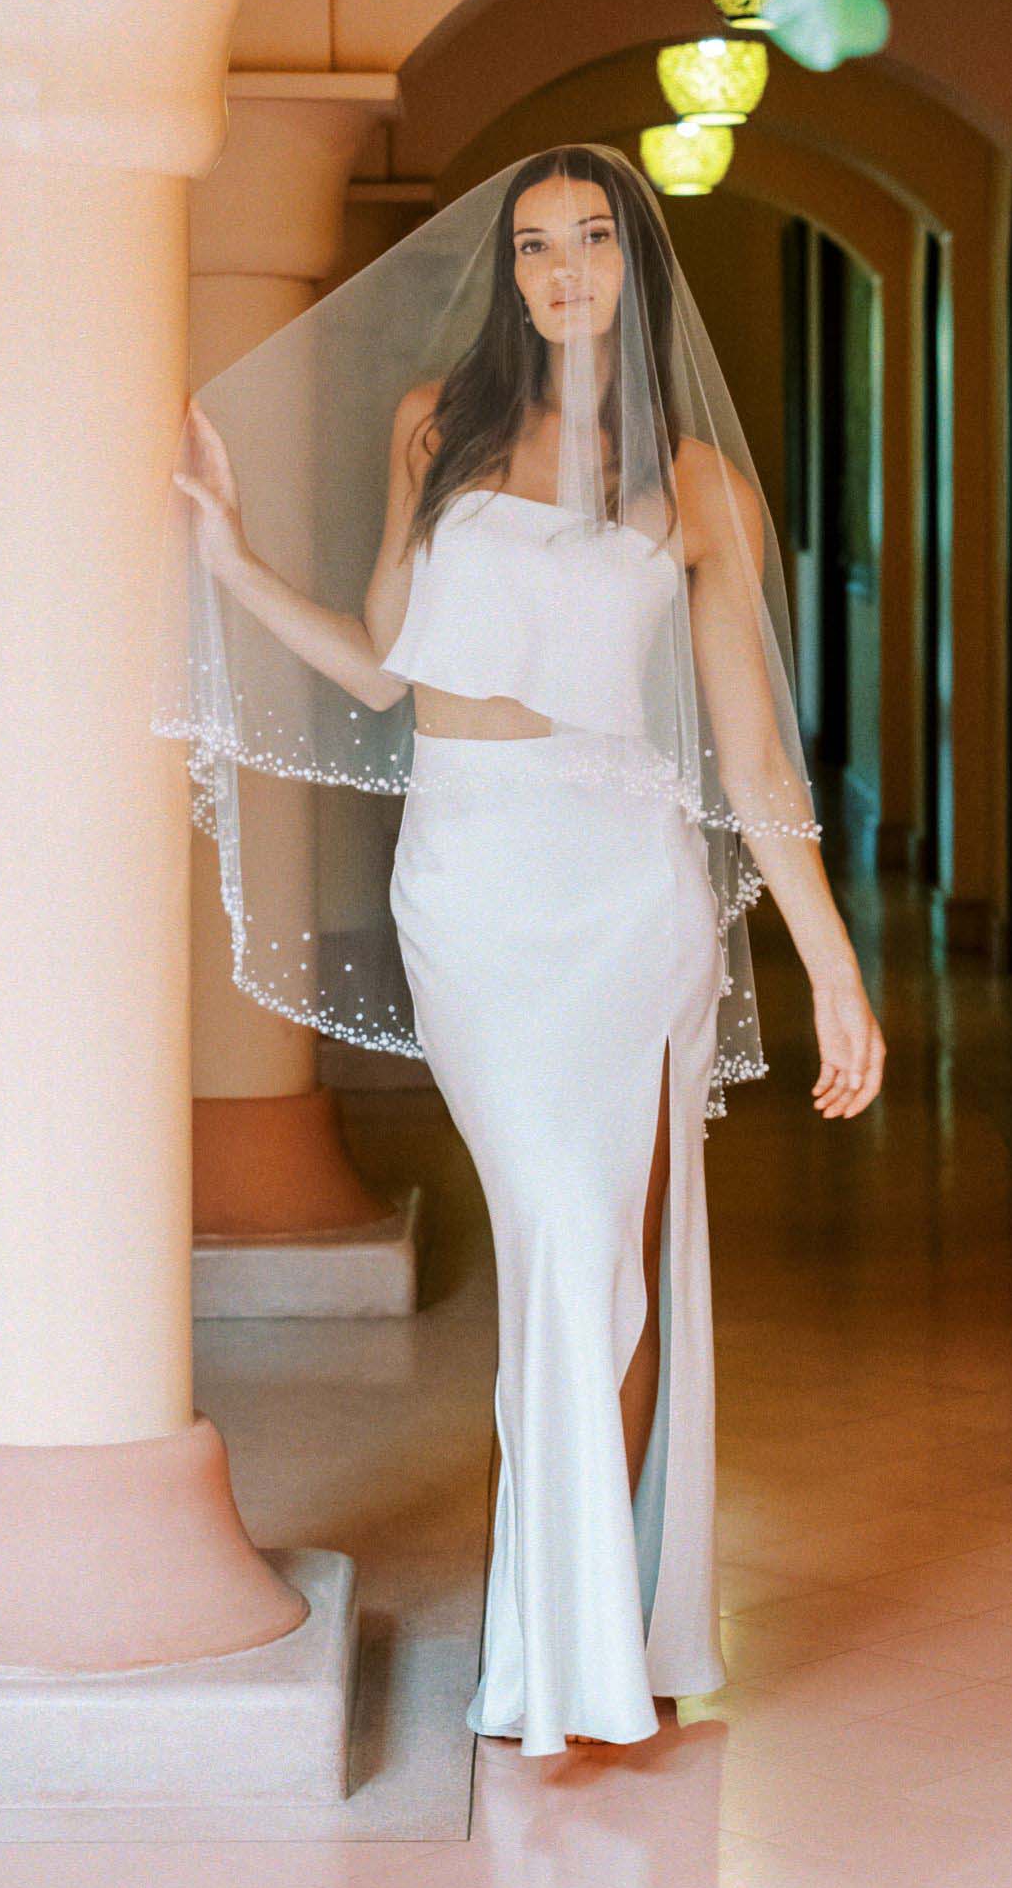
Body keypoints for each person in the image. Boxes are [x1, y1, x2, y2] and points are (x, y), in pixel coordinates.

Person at [160, 143, 884, 1756]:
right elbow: (382, 670)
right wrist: (231, 563)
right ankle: (560, 1636)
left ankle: (574, 1646)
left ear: (639, 266)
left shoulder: (699, 486)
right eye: (537, 246)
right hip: (475, 886)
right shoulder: (441, 424)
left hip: (630, 891)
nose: (564, 272)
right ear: (511, 273)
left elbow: (754, 763)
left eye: (594, 242)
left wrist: (832, 965)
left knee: (598, 1267)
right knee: (557, 1237)